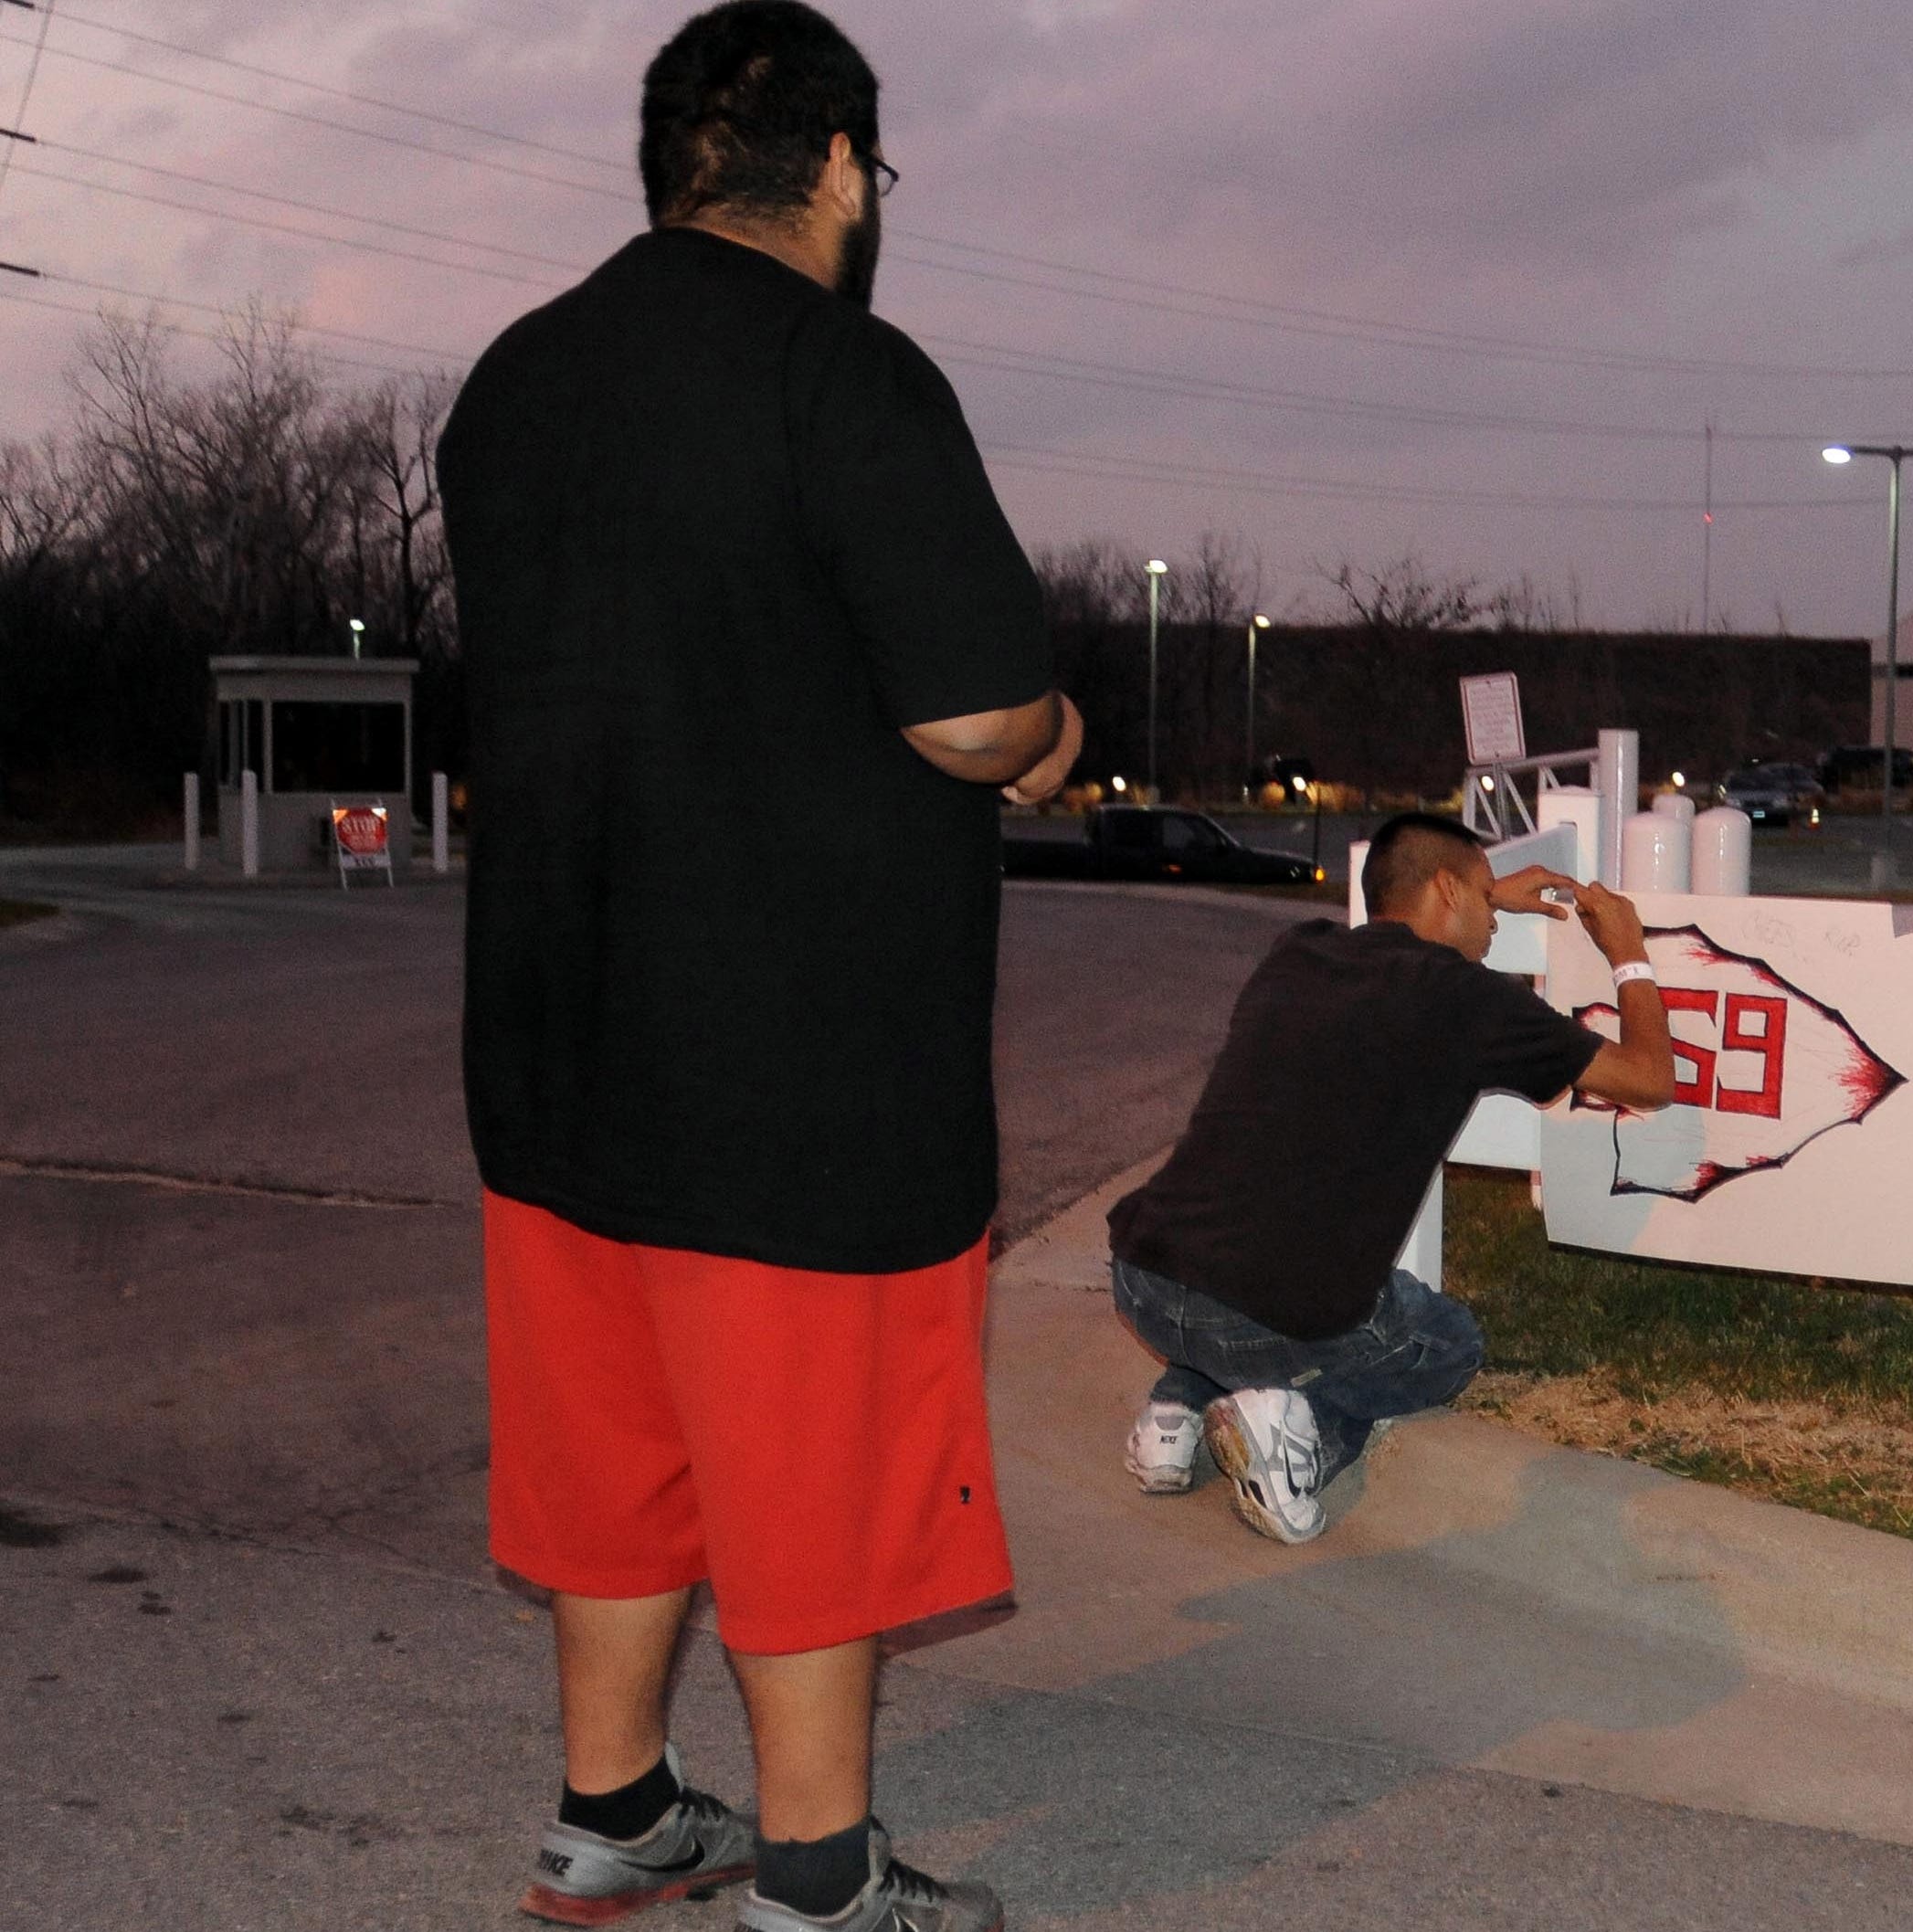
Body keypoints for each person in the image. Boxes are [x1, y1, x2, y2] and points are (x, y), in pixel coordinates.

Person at [439, 6, 1078, 1927]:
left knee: (610, 1453)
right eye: (872, 174)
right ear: (836, 166)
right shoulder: (844, 375)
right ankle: (820, 1872)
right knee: (808, 1467)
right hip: (797, 1067)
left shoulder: (514, 382)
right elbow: (974, 711)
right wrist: (1047, 732)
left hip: (558, 1046)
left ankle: (614, 1807)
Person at [1107, 814, 1675, 1543]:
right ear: (1446, 888)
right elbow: (1648, 1077)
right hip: (1268, 1315)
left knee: (1246, 1287)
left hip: (1145, 1279)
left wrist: (1488, 892)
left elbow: (1422, 917)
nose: (1495, 920)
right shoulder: (1470, 1000)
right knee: (1444, 1337)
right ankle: (1293, 1440)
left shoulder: (1299, 951)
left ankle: (1174, 1414)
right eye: (1482, 894)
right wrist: (1627, 951)